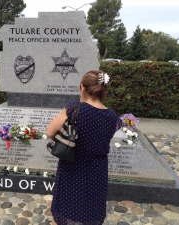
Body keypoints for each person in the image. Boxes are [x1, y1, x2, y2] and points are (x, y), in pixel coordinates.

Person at [46, 70, 122, 225]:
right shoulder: (113, 116)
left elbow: (50, 132)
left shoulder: (74, 108)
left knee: (64, 209)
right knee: (91, 208)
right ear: (104, 90)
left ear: (82, 87)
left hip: (72, 165)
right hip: (97, 170)